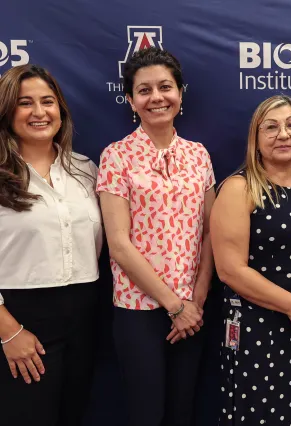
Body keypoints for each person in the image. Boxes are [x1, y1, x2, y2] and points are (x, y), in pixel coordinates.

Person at [96, 47, 215, 426]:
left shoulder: (199, 155)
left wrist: (194, 301)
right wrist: (173, 306)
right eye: (144, 90)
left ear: (181, 93)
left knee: (183, 412)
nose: (156, 97)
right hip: (139, 311)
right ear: (130, 100)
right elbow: (118, 244)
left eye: (165, 87)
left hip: (194, 309)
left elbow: (211, 232)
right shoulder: (116, 156)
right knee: (147, 414)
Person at [211, 95, 291, 426]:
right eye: (271, 127)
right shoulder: (239, 189)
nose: (283, 134)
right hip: (257, 329)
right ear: (255, 139)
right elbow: (229, 269)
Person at [0, 64, 103, 426]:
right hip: (19, 318)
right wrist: (8, 331)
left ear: (61, 109)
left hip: (84, 317)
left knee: (72, 415)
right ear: (8, 111)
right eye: (25, 103)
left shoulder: (85, 170)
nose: (40, 112)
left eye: (48, 101)